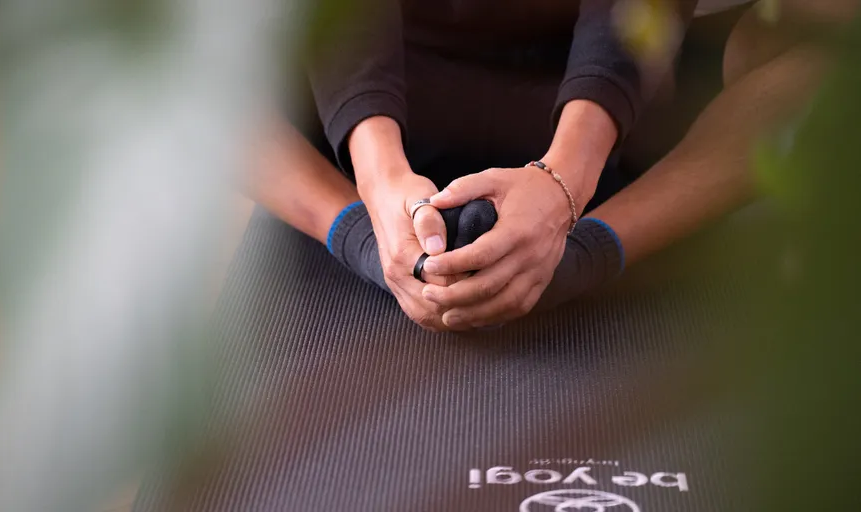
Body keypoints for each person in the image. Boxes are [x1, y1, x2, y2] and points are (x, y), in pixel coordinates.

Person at [245, 0, 849, 331]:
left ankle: (585, 253)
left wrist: (565, 179)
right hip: (386, 98)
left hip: (625, 114)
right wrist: (380, 180)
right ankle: (360, 232)